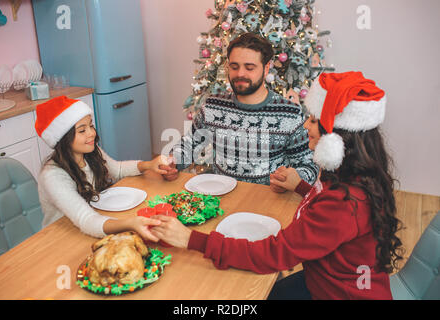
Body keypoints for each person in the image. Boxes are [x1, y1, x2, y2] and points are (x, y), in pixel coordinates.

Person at [150, 71, 404, 300]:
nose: (306, 126)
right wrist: (302, 188)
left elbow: (275, 254)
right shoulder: (355, 179)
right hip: (327, 278)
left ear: (339, 137)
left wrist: (190, 239)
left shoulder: (343, 203)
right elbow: (329, 214)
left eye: (314, 120)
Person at [164, 32, 318, 186]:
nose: (240, 74)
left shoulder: (290, 114)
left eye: (249, 68)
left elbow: (309, 166)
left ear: (266, 68)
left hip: (269, 201)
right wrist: (173, 161)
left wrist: (289, 181)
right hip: (221, 196)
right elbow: (190, 144)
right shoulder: (213, 105)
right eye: (234, 66)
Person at [35, 95, 174, 240]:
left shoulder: (89, 151)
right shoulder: (52, 175)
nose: (91, 134)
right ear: (63, 139)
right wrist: (130, 223)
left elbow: (118, 170)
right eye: (82, 131)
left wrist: (149, 165)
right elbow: (86, 219)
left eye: (91, 125)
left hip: (91, 225)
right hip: (61, 237)